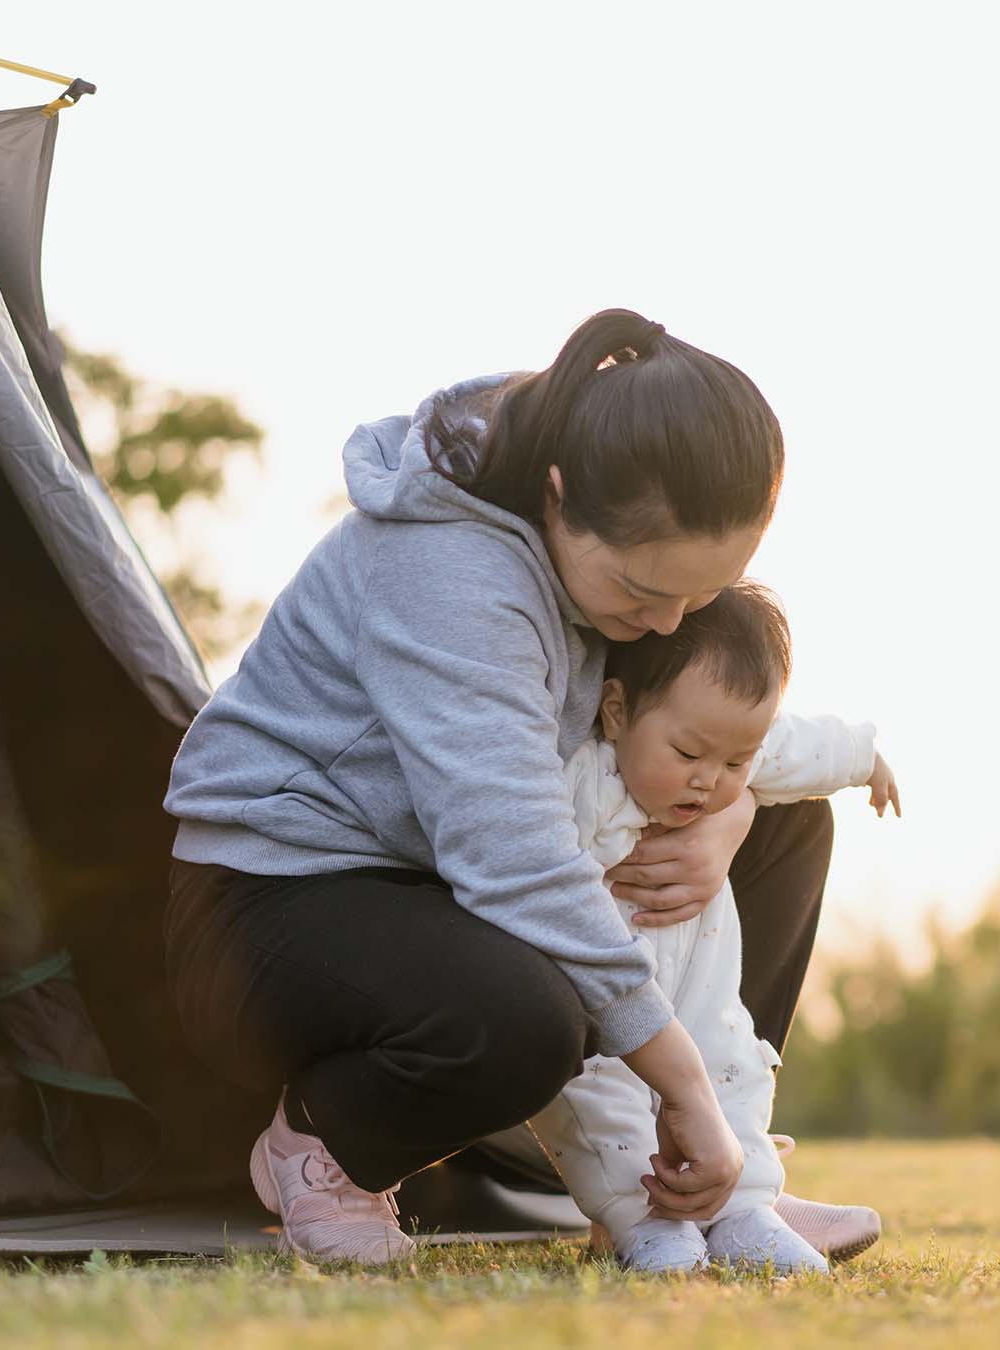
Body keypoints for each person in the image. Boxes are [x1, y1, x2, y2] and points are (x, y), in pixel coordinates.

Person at [161, 309, 878, 1265]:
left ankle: (719, 1182)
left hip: (453, 889)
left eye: (701, 597)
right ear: (556, 496)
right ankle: (324, 1143)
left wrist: (729, 815)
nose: (665, 629)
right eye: (640, 594)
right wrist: (682, 1082)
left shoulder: (615, 537)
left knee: (788, 824)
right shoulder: (449, 572)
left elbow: (704, 725)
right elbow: (512, 860)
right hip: (280, 904)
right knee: (534, 1015)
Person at [534, 581, 897, 1274]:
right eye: (689, 755)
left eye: (733, 763)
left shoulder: (726, 750)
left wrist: (864, 759)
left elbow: (795, 746)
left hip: (701, 991)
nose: (710, 780)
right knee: (606, 1103)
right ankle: (642, 1220)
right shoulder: (580, 780)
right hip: (604, 1003)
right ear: (617, 712)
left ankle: (743, 1208)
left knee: (732, 1071)